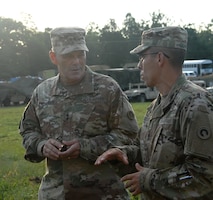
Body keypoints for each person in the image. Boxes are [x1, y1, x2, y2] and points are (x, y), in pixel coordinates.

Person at [19, 27, 139, 200]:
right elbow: (28, 130)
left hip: (104, 193)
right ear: (53, 57)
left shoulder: (107, 89)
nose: (76, 61)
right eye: (68, 56)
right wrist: (42, 145)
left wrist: (85, 147)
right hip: (55, 193)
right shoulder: (43, 92)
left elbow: (129, 134)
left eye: (80, 54)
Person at [95, 26, 213, 199]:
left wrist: (149, 180)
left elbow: (204, 175)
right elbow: (149, 154)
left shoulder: (196, 104)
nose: (139, 65)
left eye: (143, 57)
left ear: (159, 58)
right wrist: (124, 154)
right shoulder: (156, 106)